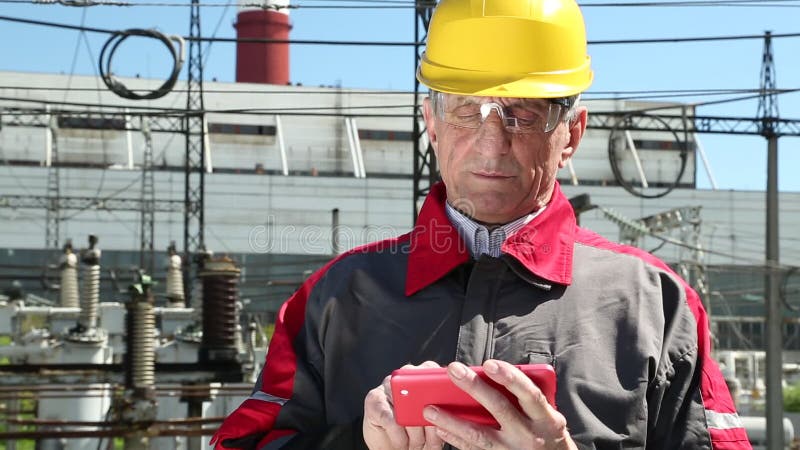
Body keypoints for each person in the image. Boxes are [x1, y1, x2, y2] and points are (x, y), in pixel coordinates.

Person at [212, 0, 751, 448]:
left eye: (523, 113)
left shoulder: (656, 305)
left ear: (573, 132)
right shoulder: (333, 299)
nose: (492, 144)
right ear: (431, 123)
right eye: (468, 110)